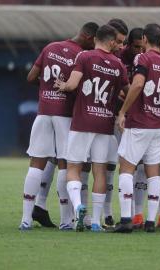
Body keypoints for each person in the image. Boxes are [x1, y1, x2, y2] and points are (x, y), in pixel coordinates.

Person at [19, 22, 99, 231]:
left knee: (36, 163)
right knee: (66, 164)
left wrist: (47, 88)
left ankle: (25, 219)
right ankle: (66, 221)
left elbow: (30, 77)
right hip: (65, 116)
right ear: (90, 38)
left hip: (43, 112)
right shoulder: (83, 56)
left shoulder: (50, 47)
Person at [54, 24, 129, 232]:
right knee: (100, 172)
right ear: (111, 41)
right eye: (118, 41)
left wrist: (63, 86)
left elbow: (71, 85)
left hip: (83, 121)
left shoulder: (85, 57)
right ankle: (96, 222)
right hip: (104, 124)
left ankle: (78, 205)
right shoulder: (118, 64)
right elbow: (128, 91)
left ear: (96, 38)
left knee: (73, 168)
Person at [115, 23, 160, 233]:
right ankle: (150, 222)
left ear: (146, 40)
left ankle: (125, 220)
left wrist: (123, 112)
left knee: (126, 168)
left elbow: (138, 84)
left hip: (140, 123)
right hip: (159, 125)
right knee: (153, 172)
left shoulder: (143, 58)